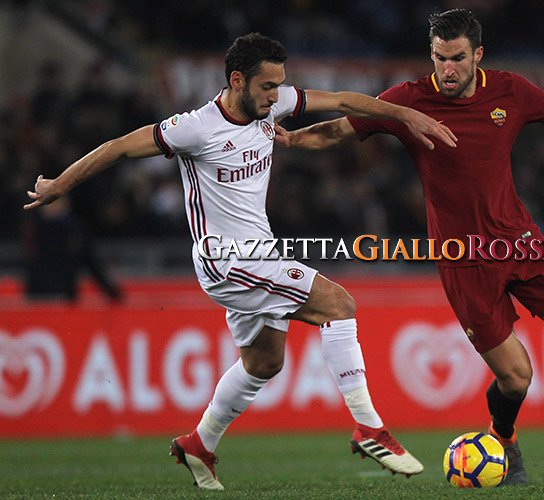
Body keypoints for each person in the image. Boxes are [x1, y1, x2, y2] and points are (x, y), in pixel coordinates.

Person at [276, 9, 544, 485]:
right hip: (464, 262)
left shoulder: (510, 91)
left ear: (477, 54)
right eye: (439, 58)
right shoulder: (408, 102)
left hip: (521, 242)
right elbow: (340, 129)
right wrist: (293, 140)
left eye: (457, 58)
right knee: (517, 377)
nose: (447, 69)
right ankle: (503, 442)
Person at [24, 33, 457, 491]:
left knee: (264, 362)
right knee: (339, 303)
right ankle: (369, 426)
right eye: (268, 86)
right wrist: (59, 185)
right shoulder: (195, 128)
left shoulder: (275, 105)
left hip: (259, 254)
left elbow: (345, 100)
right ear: (238, 80)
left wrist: (406, 114)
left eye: (280, 85)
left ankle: (199, 443)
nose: (277, 95)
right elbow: (118, 146)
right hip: (226, 260)